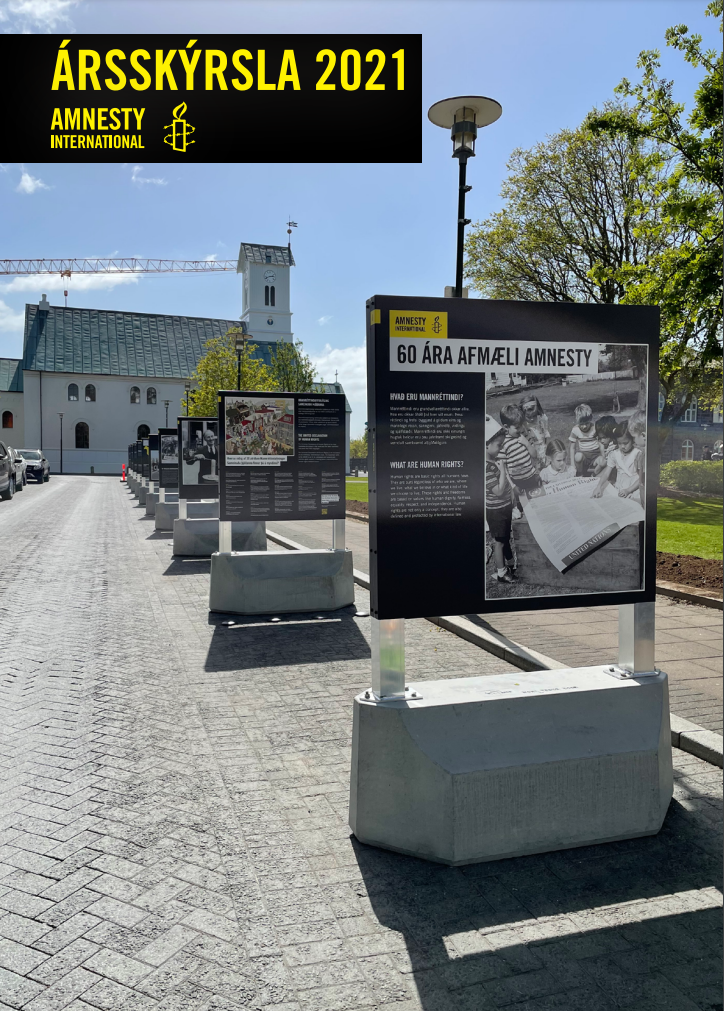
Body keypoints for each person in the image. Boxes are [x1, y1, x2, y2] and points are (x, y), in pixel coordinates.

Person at [485, 415, 516, 584]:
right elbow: (498, 491)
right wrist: (503, 470)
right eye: (498, 445)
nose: (501, 448)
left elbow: (507, 486)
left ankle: (511, 563)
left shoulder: (495, 461)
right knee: (499, 542)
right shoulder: (487, 468)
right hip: (496, 510)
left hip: (504, 507)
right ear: (486, 445)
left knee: (505, 538)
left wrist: (512, 497)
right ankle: (501, 572)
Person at [499, 404, 542, 497]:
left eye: (521, 425)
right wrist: (513, 486)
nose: (521, 428)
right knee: (522, 503)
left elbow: (534, 455)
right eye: (517, 427)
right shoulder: (503, 443)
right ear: (506, 427)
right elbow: (503, 468)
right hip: (517, 482)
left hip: (531, 477)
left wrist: (527, 443)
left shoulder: (524, 436)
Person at [592, 422, 641, 499]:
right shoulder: (614, 454)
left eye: (625, 443)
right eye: (619, 443)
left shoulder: (637, 454)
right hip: (619, 487)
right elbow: (606, 473)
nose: (622, 446)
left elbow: (642, 477)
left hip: (634, 488)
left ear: (632, 440)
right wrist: (599, 486)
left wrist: (628, 490)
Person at [519, 394, 550, 467]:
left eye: (534, 415)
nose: (532, 418)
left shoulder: (542, 419)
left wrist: (547, 452)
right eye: (528, 416)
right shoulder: (522, 425)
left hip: (543, 451)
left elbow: (545, 435)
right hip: (529, 455)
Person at [569, 404, 600, 476]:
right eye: (581, 424)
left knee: (603, 461)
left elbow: (601, 442)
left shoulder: (594, 428)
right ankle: (580, 474)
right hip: (584, 457)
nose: (584, 426)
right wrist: (572, 464)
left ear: (590, 419)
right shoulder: (575, 430)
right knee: (578, 456)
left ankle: (595, 474)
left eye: (587, 423)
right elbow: (572, 448)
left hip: (596, 456)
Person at [627, 410, 647, 507]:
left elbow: (643, 479)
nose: (633, 440)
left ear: (643, 435)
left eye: (634, 437)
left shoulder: (646, 456)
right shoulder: (643, 453)